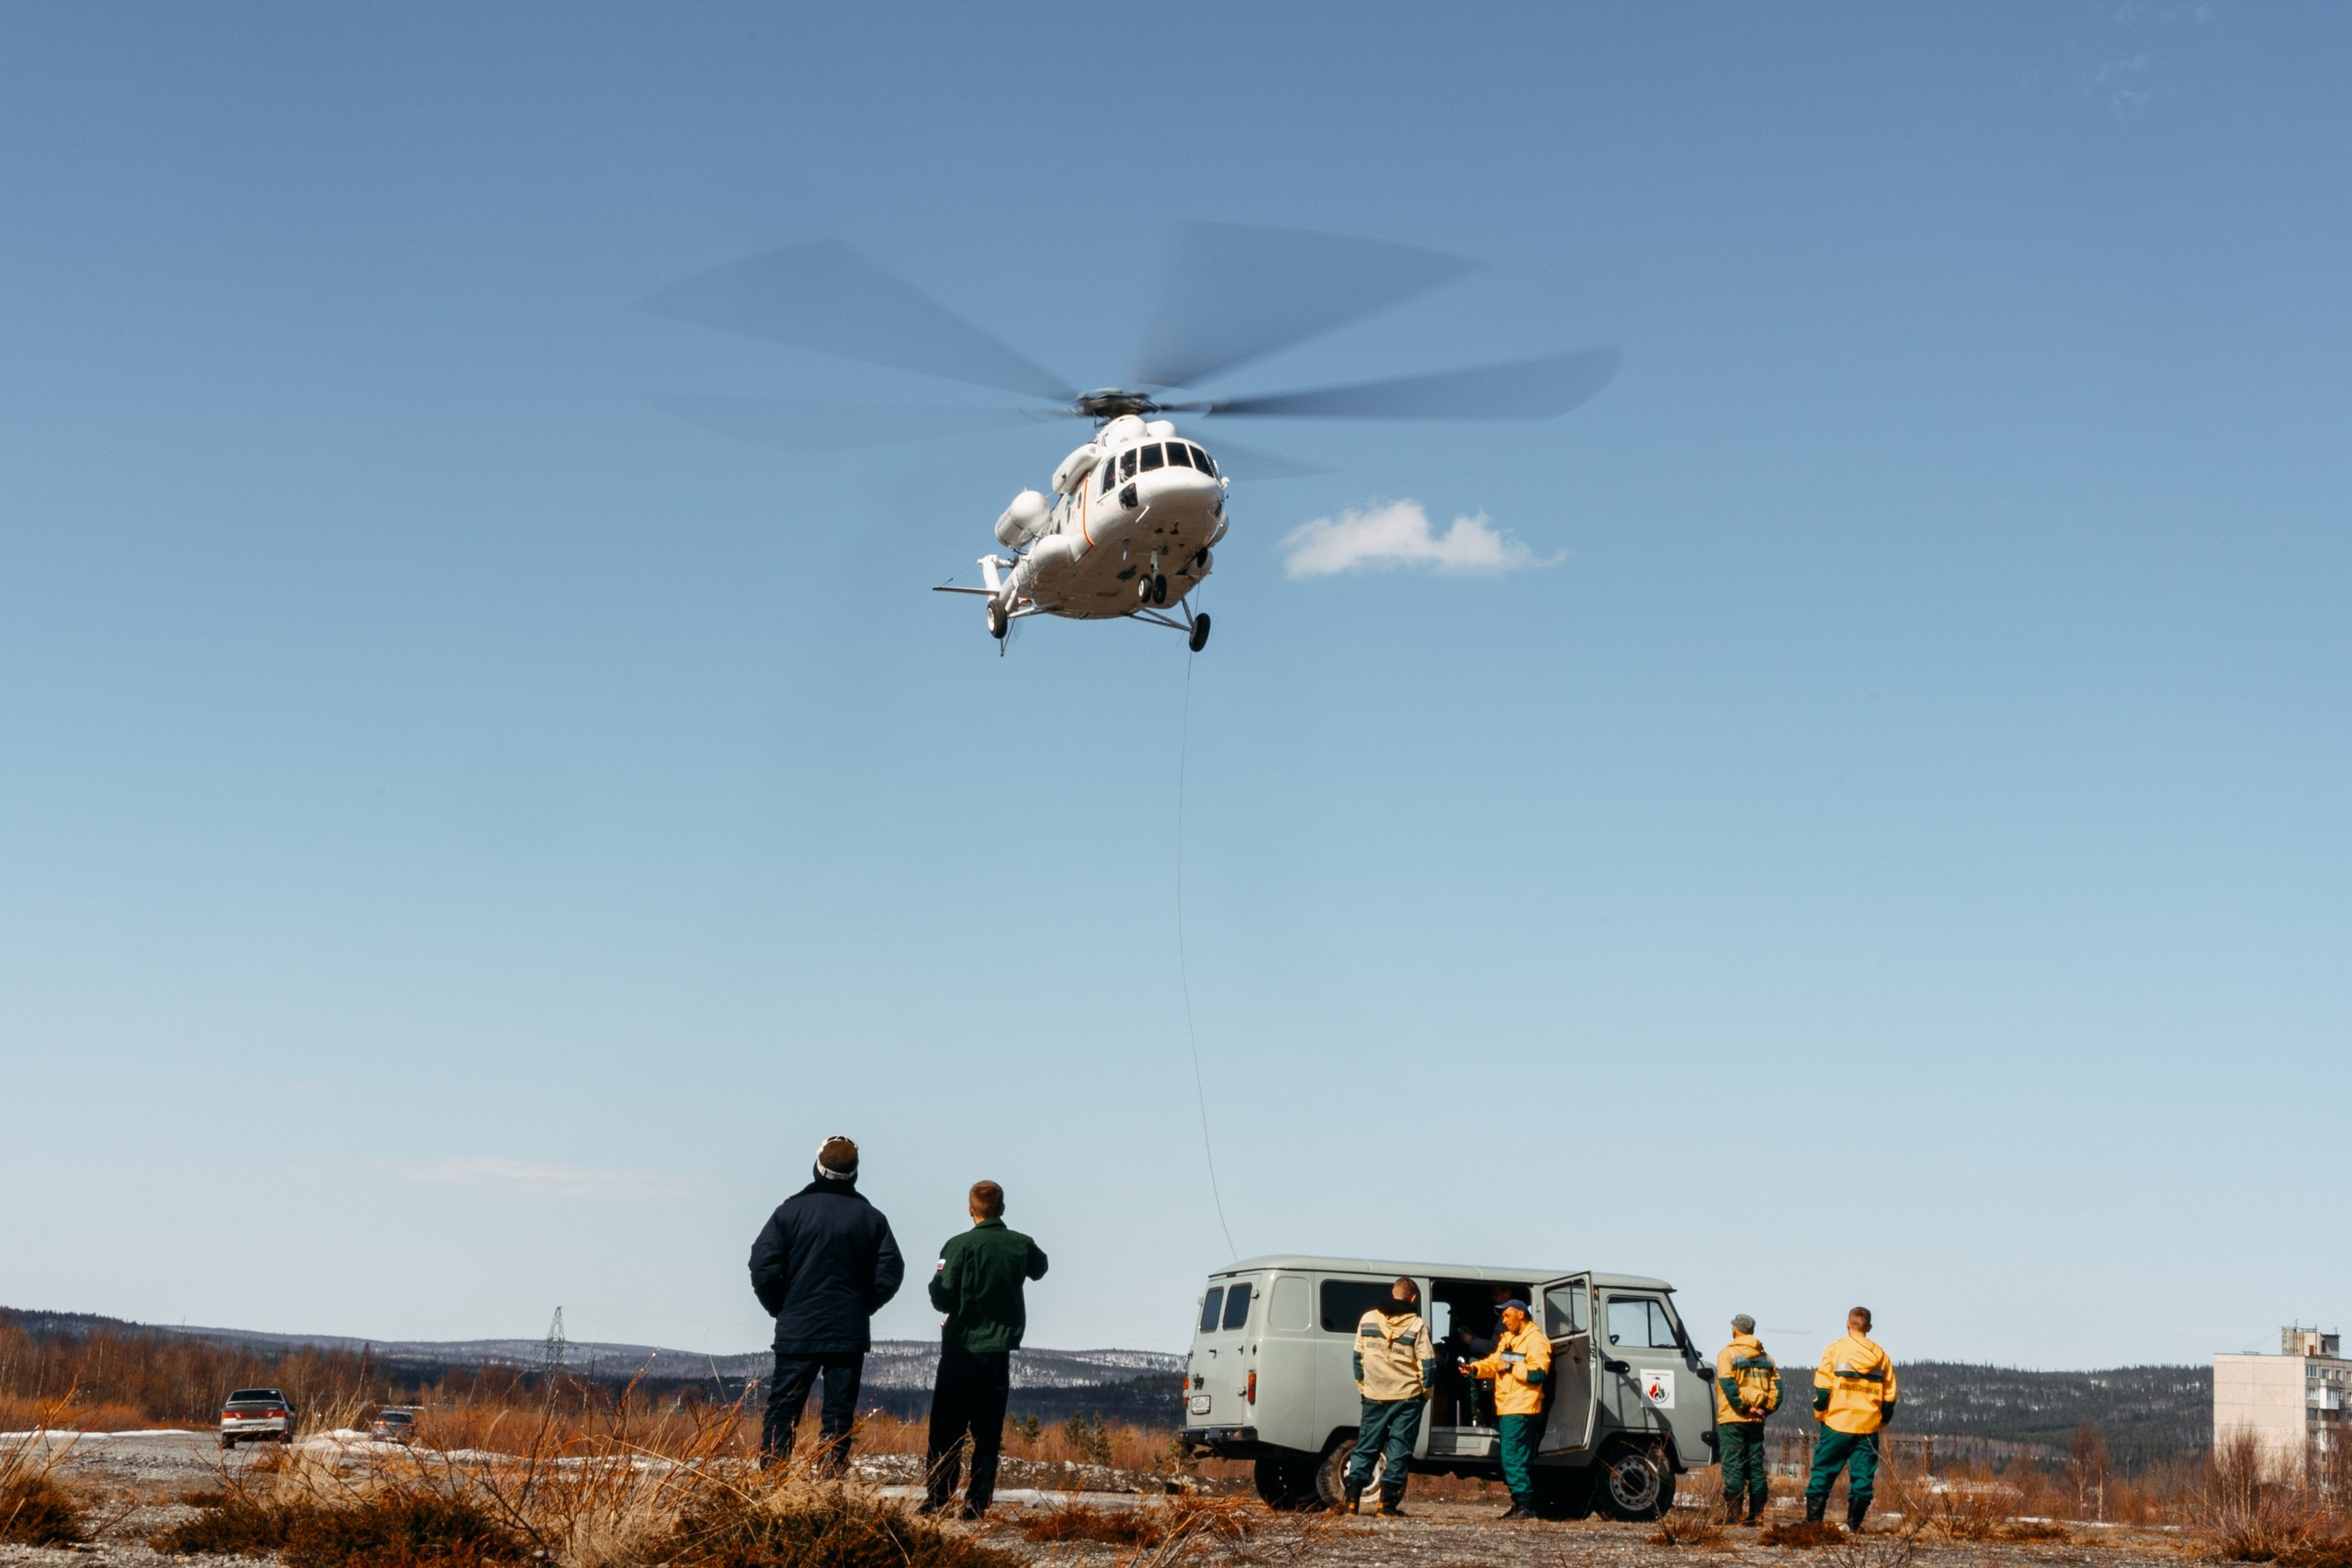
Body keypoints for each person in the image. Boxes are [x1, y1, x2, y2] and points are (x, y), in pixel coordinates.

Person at [747, 1135, 905, 1472]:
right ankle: (829, 1489)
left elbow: (762, 1266)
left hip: (798, 1327)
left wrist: (781, 1306)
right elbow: (891, 1271)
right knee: (838, 1416)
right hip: (848, 1331)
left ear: (818, 1168)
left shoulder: (788, 1213)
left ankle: (773, 1484)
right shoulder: (872, 1218)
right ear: (855, 1173)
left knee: (782, 1410)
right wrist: (863, 1306)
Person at [919, 1179, 1048, 1521]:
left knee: (947, 1430)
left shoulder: (959, 1245)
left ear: (970, 1208)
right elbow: (1040, 1267)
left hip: (960, 1350)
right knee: (987, 1433)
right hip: (997, 1353)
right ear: (1002, 1209)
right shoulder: (1020, 1244)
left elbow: (941, 1296)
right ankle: (976, 1502)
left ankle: (937, 1497)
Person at [1340, 1278, 1436, 1517]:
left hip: (1374, 1394)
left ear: (1393, 1293)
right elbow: (1428, 1364)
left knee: (1366, 1446)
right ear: (1413, 1298)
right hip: (1407, 1396)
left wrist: (1364, 1388)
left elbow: (1357, 1359)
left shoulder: (1368, 1319)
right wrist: (1426, 1393)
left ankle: (1350, 1504)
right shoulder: (1417, 1324)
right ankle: (1386, 1506)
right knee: (1399, 1448)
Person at [1805, 1306, 1898, 1529]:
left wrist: (1821, 1414)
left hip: (1837, 1422)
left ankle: (1814, 1523)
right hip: (1868, 1426)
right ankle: (1854, 1527)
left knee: (1823, 1471)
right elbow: (1889, 1397)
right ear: (1869, 1327)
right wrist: (1881, 1421)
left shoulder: (1835, 1350)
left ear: (1848, 1324)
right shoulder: (1881, 1356)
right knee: (1862, 1477)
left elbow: (1824, 1389)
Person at [1460, 1297, 1552, 1520]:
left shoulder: (1536, 1341)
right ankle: (1522, 1505)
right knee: (1514, 1458)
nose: (1503, 1319)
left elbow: (1538, 1374)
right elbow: (1493, 1362)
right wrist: (1473, 1369)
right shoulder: (1507, 1339)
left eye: (1507, 1314)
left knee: (1512, 1458)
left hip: (1521, 1408)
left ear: (1521, 1314)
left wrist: (1511, 1367)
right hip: (1507, 1407)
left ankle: (1525, 1507)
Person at [1713, 1314, 1781, 1524]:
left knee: (1733, 1464)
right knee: (1755, 1465)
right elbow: (1777, 1390)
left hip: (1733, 1418)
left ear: (1735, 1329)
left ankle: (1734, 1514)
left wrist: (1745, 1408)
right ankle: (1757, 1514)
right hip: (1756, 1421)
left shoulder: (1727, 1354)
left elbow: (1728, 1385)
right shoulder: (1767, 1359)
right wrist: (1763, 1410)